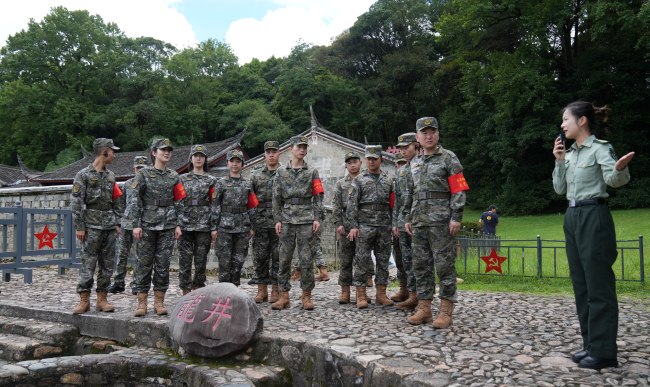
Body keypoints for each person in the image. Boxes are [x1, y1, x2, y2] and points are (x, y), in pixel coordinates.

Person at [552, 101, 633, 370]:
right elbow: (560, 189)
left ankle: (604, 351)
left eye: (566, 119)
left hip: (593, 216)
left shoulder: (600, 148)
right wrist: (560, 161)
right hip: (572, 217)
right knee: (582, 285)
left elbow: (614, 180)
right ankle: (590, 345)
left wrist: (620, 168)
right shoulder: (571, 153)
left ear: (582, 121)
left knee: (598, 285)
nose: (563, 124)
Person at [404, 117, 469, 328]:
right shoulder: (416, 162)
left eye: (432, 131)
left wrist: (456, 216)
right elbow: (411, 193)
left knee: (444, 266)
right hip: (419, 221)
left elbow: (458, 188)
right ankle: (424, 308)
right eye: (424, 133)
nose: (428, 135)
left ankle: (446, 310)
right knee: (421, 266)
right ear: (417, 138)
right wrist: (408, 217)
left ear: (438, 134)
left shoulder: (449, 158)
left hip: (441, 222)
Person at [127, 138, 186, 317]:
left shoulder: (174, 176)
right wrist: (136, 224)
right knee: (143, 264)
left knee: (163, 264)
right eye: (162, 150)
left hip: (167, 226)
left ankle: (159, 302)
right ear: (154, 153)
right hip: (147, 225)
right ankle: (142, 302)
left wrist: (178, 224)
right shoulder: (143, 174)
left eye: (169, 150)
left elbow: (180, 201)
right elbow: (135, 199)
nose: (166, 153)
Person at [271, 135, 324, 311]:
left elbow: (318, 196)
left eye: (304, 147)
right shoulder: (280, 172)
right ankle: (283, 295)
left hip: (306, 219)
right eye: (299, 146)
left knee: (306, 260)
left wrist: (317, 218)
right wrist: (277, 219)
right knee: (284, 258)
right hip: (286, 219)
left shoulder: (312, 172)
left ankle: (306, 296)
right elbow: (276, 198)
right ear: (291, 149)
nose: (302, 149)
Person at [71, 138, 123, 314]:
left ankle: (102, 299)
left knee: (108, 264)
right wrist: (80, 226)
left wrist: (117, 222)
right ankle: (84, 300)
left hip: (108, 225)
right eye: (112, 151)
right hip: (91, 225)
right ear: (104, 152)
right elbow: (76, 202)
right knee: (88, 263)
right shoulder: (83, 175)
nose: (114, 155)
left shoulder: (111, 176)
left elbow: (116, 199)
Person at [347, 145, 396, 309]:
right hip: (364, 225)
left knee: (383, 261)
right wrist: (353, 226)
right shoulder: (358, 180)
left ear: (381, 159)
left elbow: (393, 205)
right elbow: (352, 205)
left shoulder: (388, 180)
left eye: (375, 158)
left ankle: (381, 294)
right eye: (369, 159)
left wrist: (393, 224)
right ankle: (361, 294)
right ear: (366, 160)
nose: (372, 161)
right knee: (361, 260)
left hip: (383, 225)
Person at [177, 144, 218, 295]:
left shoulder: (212, 180)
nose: (199, 158)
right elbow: (177, 201)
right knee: (185, 259)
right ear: (191, 159)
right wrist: (177, 224)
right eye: (196, 156)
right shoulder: (182, 179)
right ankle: (185, 289)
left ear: (205, 159)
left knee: (201, 259)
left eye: (201, 156)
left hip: (204, 224)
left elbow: (215, 204)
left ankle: (198, 286)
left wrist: (214, 227)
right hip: (185, 224)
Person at [214, 149, 258, 286]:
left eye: (238, 161)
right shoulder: (220, 183)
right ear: (227, 164)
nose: (235, 164)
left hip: (242, 226)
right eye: (232, 161)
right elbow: (215, 206)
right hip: (224, 227)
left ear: (242, 164)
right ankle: (223, 290)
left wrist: (252, 226)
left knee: (239, 260)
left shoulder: (248, 184)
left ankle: (235, 290)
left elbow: (252, 206)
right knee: (224, 260)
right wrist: (214, 227)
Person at [109, 155, 148, 295]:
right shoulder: (127, 184)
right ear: (134, 168)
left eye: (143, 168)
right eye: (138, 168)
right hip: (126, 224)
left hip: (141, 224)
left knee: (140, 255)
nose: (140, 171)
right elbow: (121, 204)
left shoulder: (148, 184)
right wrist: (118, 223)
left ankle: (137, 284)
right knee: (121, 254)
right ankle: (118, 282)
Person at [251, 141, 281, 303]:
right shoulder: (256, 175)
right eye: (268, 152)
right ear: (264, 154)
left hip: (279, 222)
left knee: (278, 257)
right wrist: (251, 223)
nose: (271, 154)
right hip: (260, 222)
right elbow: (250, 200)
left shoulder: (284, 173)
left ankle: (276, 289)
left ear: (279, 153)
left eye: (274, 152)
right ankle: (262, 289)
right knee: (260, 257)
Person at [392, 133, 419, 310]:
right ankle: (409, 292)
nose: (403, 151)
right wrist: (395, 222)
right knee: (405, 259)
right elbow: (398, 200)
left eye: (406, 147)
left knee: (420, 260)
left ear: (416, 146)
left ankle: (419, 295)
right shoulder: (401, 172)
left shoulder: (423, 167)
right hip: (403, 222)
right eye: (401, 148)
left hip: (419, 220)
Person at [332, 151, 363, 304]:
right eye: (349, 162)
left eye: (355, 161)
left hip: (362, 227)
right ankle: (345, 292)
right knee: (345, 260)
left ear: (360, 163)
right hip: (345, 226)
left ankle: (360, 292)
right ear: (346, 165)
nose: (352, 164)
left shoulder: (365, 181)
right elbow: (336, 205)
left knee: (362, 261)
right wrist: (338, 223)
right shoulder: (340, 183)